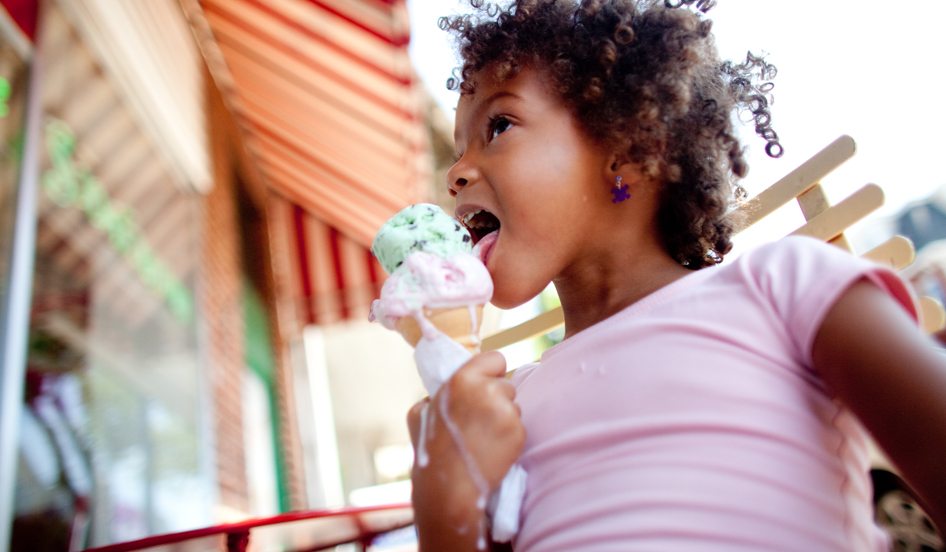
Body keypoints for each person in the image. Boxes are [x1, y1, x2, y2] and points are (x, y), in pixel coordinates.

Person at [405, 1, 946, 550]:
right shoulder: (503, 411)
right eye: (458, 149)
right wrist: (444, 501)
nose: (456, 172)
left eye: (499, 126)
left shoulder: (781, 285)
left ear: (630, 146)